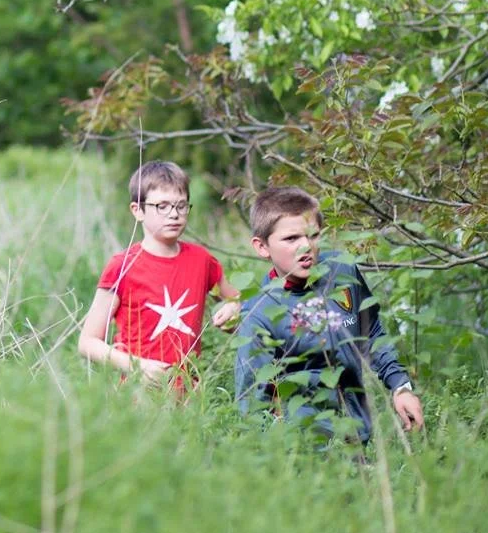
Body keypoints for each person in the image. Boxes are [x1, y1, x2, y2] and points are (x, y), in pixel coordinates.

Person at [234, 187, 425, 441]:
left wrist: (400, 387)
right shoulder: (259, 312)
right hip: (303, 447)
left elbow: (371, 334)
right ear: (262, 247)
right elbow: (251, 401)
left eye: (313, 235)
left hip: (359, 436)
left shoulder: (341, 270)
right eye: (291, 239)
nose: (306, 247)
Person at [77, 161, 241, 386]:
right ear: (138, 210)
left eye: (181, 205)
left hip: (193, 400)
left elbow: (243, 309)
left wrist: (235, 309)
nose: (174, 214)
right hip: (138, 396)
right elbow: (88, 342)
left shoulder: (202, 260)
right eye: (162, 206)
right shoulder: (121, 266)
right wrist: (138, 366)